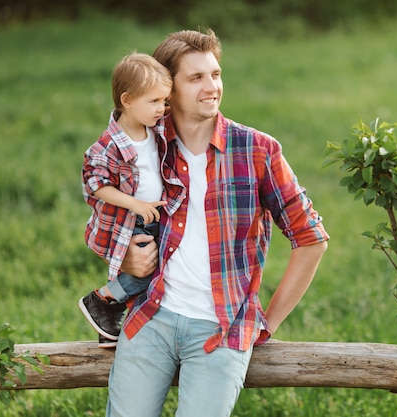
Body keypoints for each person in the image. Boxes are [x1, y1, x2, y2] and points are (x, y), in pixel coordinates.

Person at [105, 29, 329, 417]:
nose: (212, 87)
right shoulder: (146, 147)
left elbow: (311, 238)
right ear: (167, 89)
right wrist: (125, 256)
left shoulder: (257, 150)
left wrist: (266, 323)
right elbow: (105, 212)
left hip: (221, 330)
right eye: (196, 78)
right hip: (150, 318)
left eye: (216, 74)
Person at [79, 52, 173, 348]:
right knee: (150, 270)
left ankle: (109, 325)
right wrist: (135, 204)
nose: (162, 109)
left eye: (164, 101)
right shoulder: (108, 145)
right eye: (154, 101)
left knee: (161, 270)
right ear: (128, 100)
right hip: (130, 222)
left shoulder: (153, 129)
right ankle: (103, 300)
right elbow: (96, 184)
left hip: (152, 217)